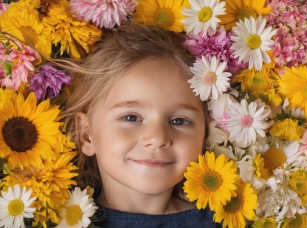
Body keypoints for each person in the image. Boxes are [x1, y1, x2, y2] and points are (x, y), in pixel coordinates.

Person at [62, 23, 219, 227]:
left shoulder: (225, 219)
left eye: (178, 121)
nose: (157, 138)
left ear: (205, 134)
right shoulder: (59, 220)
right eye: (131, 118)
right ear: (86, 134)